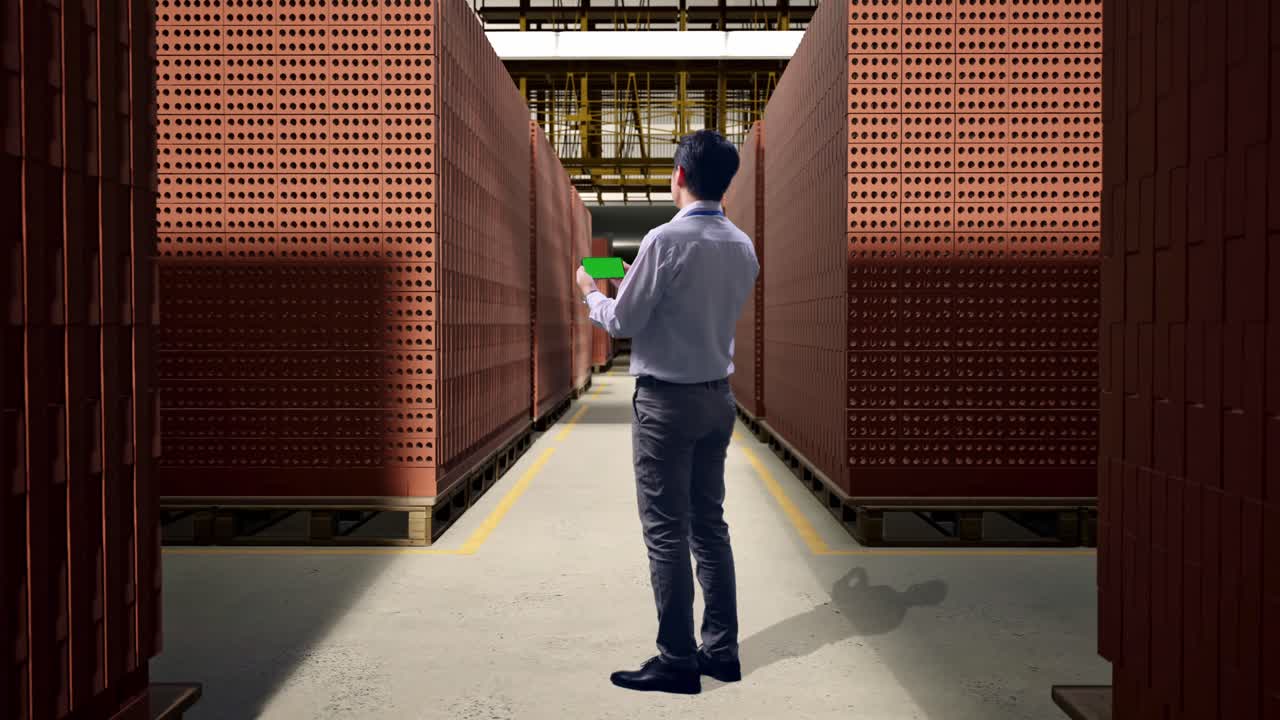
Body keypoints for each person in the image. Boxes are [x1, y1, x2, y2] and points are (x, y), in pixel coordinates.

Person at [574, 130, 760, 695]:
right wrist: (640, 280)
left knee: (665, 532)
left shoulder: (664, 241)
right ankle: (721, 653)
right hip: (716, 399)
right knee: (710, 526)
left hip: (667, 404)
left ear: (678, 173)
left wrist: (590, 289)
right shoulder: (742, 246)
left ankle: (677, 660)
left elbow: (623, 322)